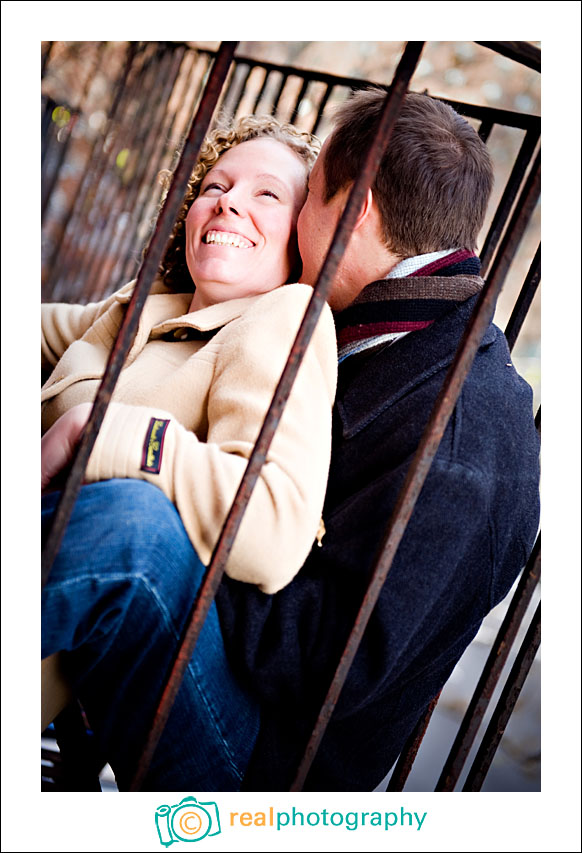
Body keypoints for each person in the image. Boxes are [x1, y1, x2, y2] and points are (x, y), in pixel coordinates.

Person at [43, 88, 540, 793]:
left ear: (355, 208)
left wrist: (197, 504)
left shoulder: (462, 441)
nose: (290, 216)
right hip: (232, 659)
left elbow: (333, 666)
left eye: (304, 200)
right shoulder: (383, 332)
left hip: (265, 756)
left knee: (140, 531)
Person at [41, 115, 336, 789]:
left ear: (304, 235)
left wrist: (95, 429)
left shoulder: (281, 317)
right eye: (216, 185)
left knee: (132, 518)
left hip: (110, 628)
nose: (229, 200)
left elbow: (270, 525)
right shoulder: (149, 306)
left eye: (268, 194)